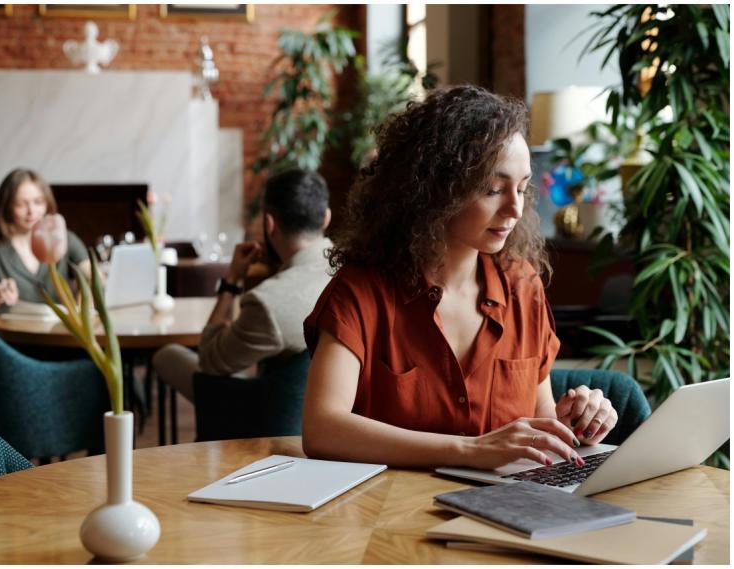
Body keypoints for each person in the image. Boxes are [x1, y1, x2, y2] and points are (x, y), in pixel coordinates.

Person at [302, 85, 618, 469]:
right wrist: (469, 450)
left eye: (522, 188)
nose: (515, 209)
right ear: (435, 191)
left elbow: (542, 415)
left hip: (511, 511)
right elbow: (322, 429)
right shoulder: (362, 292)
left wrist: (575, 423)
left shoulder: (523, 286)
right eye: (492, 189)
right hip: (386, 518)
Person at [153, 168, 333, 402]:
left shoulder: (269, 302)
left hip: (262, 417)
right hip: (322, 411)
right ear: (326, 217)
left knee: (166, 356)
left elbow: (208, 361)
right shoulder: (354, 270)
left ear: (270, 224)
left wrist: (232, 280)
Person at [0, 168, 90, 321]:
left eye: (38, 202)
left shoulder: (65, 239)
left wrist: (87, 295)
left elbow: (93, 277)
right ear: (6, 207)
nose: (32, 211)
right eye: (21, 204)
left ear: (47, 204)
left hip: (60, 337)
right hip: (11, 340)